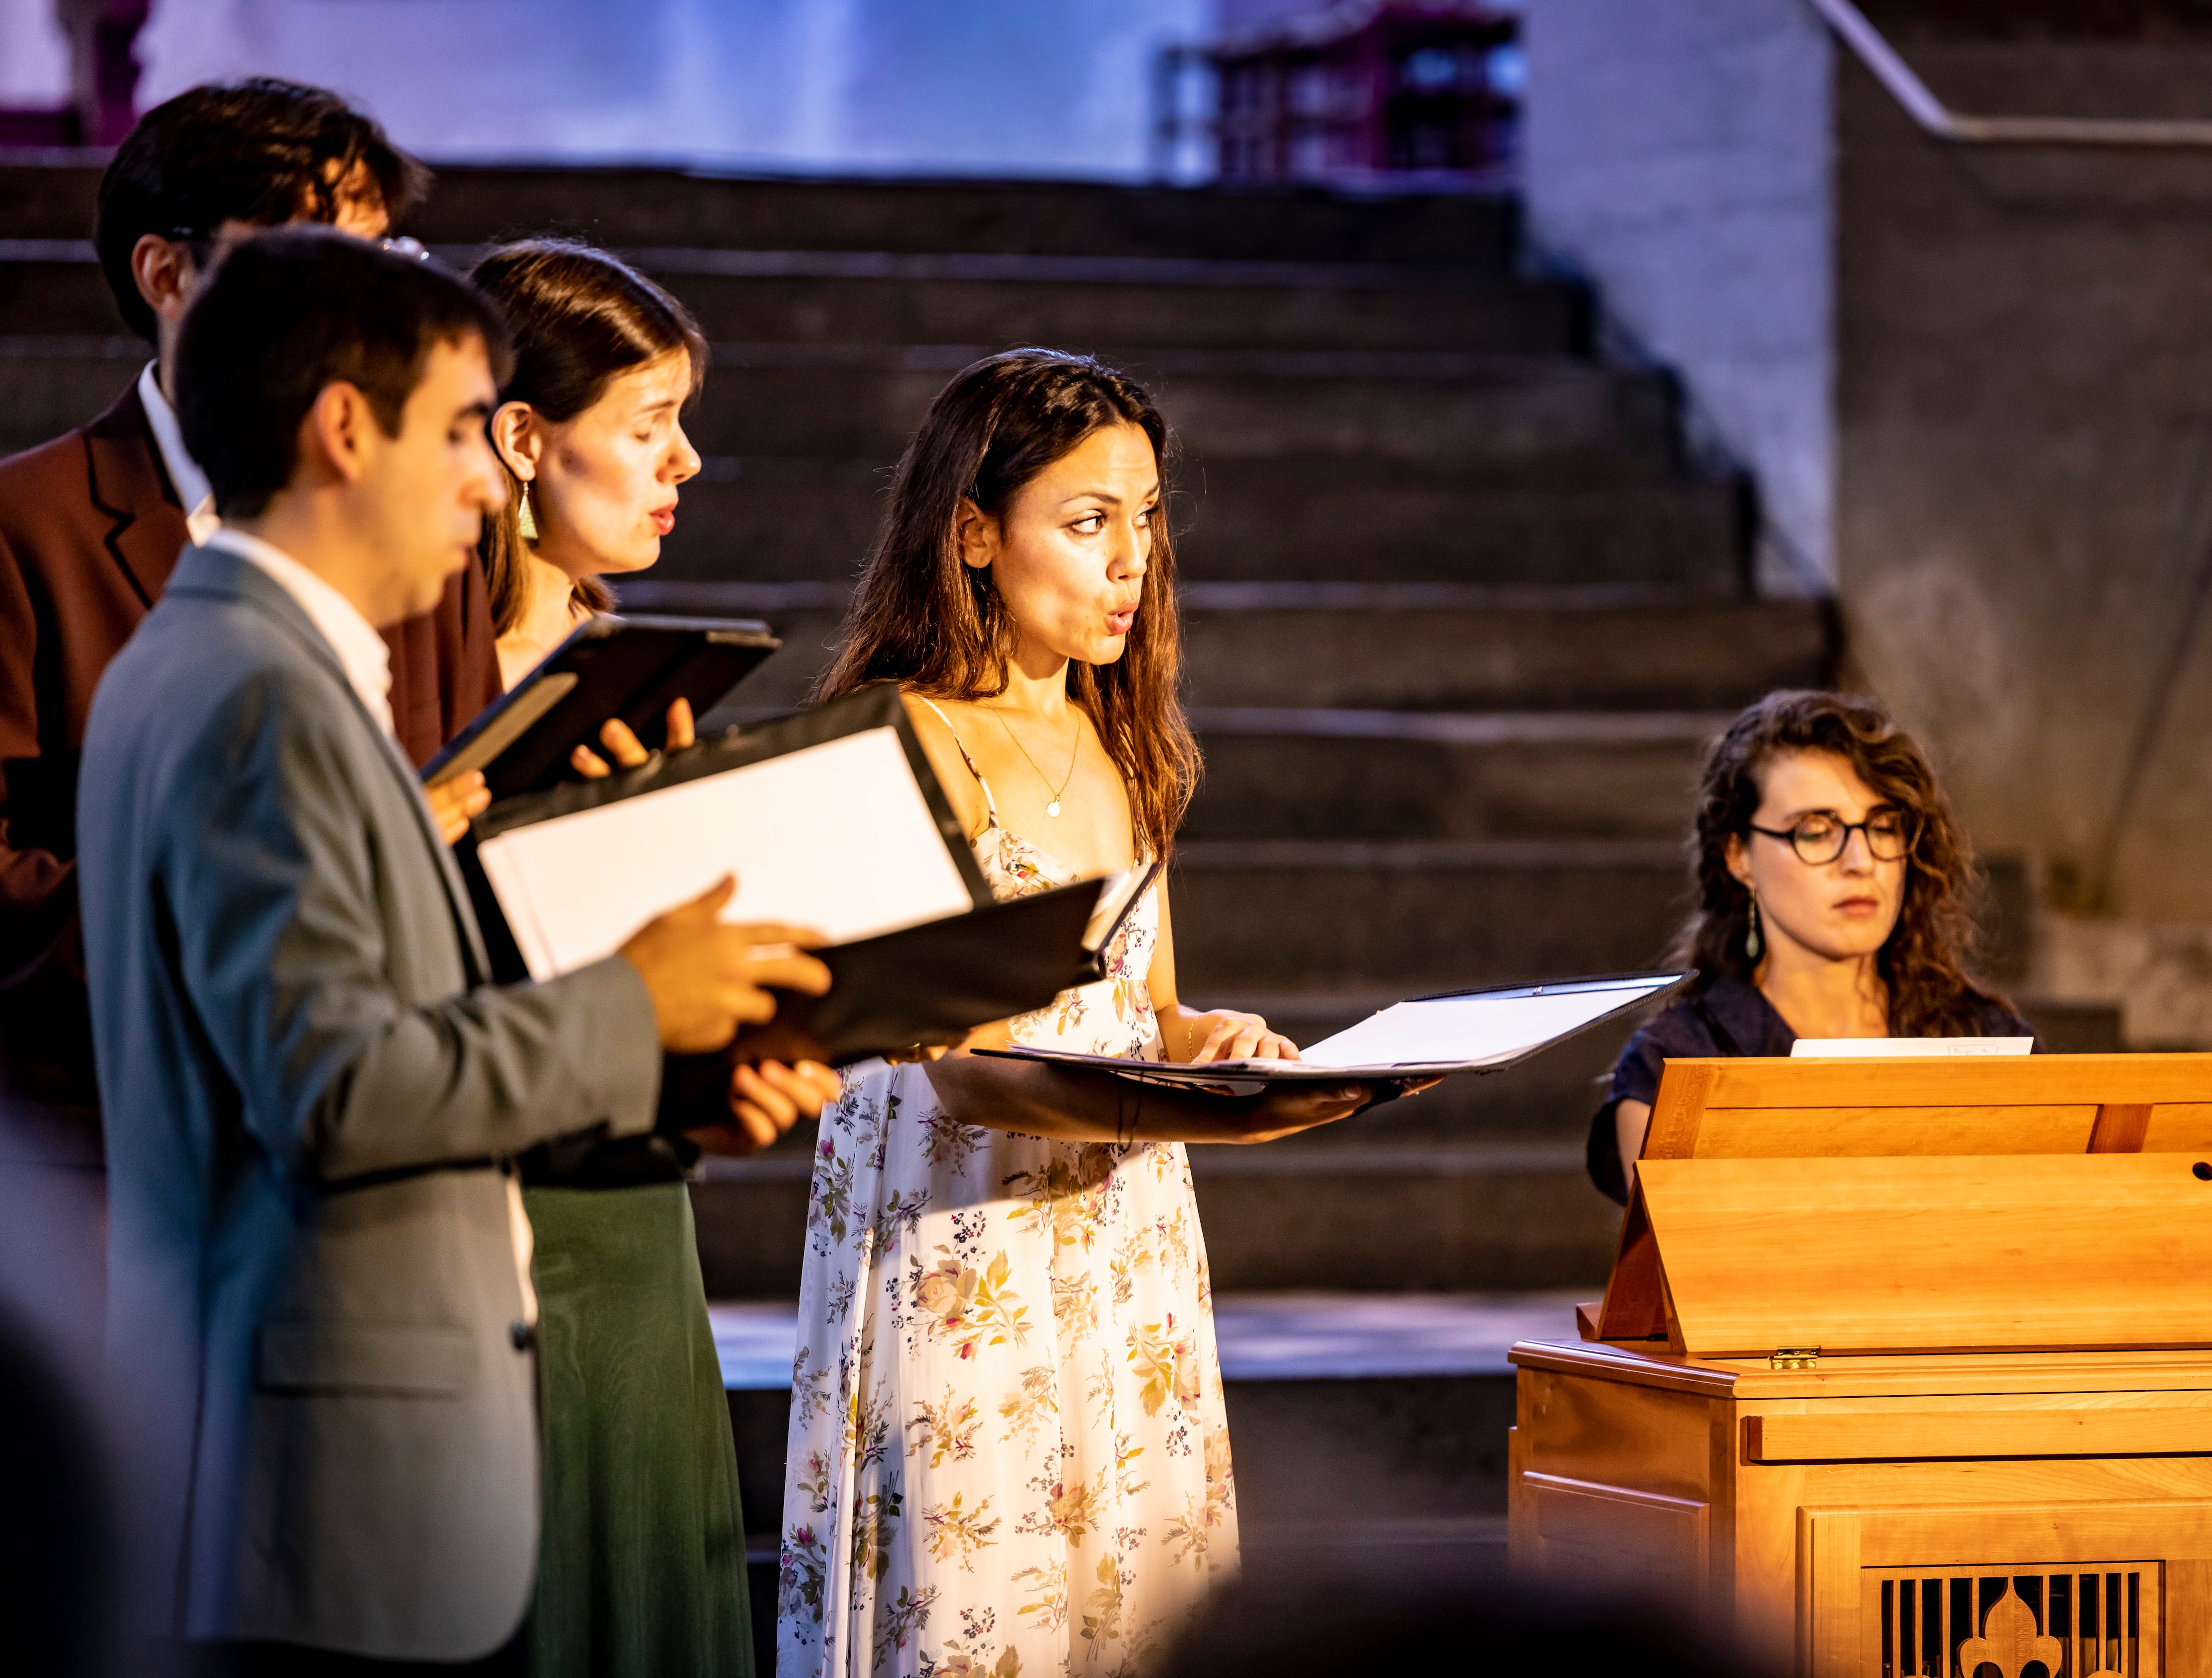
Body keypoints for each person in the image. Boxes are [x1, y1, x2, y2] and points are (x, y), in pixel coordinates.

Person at [76, 228, 833, 1674]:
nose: (491, 479)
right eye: (457, 433)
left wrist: (654, 1086)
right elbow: (338, 1085)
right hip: (327, 1471)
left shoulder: (250, 668)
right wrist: (632, 1001)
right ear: (344, 430)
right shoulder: (259, 696)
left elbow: (378, 1021)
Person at [776, 350, 1386, 1677]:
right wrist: (1208, 1119)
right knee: (979, 1602)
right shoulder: (900, 736)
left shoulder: (1124, 738)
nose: (1133, 563)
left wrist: (1217, 1044)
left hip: (1123, 1238)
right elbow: (962, 1069)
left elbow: (1143, 1005)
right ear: (977, 532)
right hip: (968, 1246)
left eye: (1149, 519)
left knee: (1132, 1602)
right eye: (1090, 520)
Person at [0, 77, 500, 1193]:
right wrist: (337, 864)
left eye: (385, 261)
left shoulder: (429, 529)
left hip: (396, 1149)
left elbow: (470, 797)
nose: (371, 309)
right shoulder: (25, 528)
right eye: (321, 262)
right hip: (124, 1169)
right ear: (168, 274)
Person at [471, 237, 836, 1678]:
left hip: (634, 1209)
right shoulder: (406, 685)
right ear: (520, 440)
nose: (685, 462)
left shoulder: (636, 671)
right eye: (645, 424)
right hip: (494, 1224)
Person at [1586, 689, 2030, 1201]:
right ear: (1740, 856)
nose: (1860, 860)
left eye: (1883, 827)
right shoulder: (1676, 1065)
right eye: (1815, 831)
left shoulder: (1983, 1036)